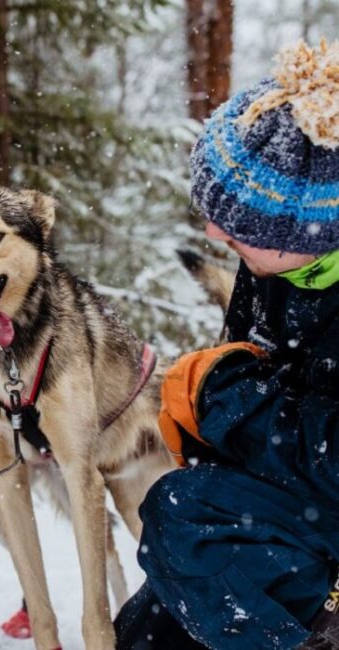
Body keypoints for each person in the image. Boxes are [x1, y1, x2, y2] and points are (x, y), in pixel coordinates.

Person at [115, 39, 339, 650]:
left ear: (305, 226)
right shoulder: (278, 262)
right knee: (145, 629)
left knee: (184, 517)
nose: (215, 231)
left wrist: (223, 395)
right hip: (299, 511)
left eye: (240, 224)